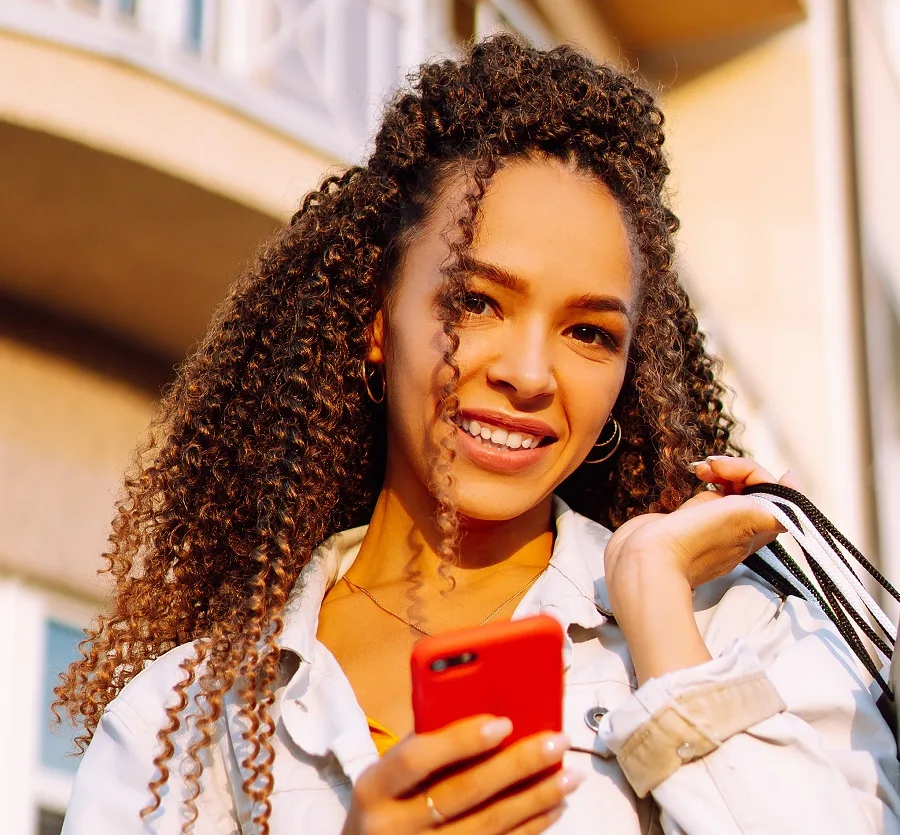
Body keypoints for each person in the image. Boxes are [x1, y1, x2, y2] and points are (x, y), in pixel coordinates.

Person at [57, 34, 900, 835]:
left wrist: (653, 606)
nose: (530, 374)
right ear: (377, 321)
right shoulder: (186, 720)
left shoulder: (736, 638)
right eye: (477, 302)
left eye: (589, 333)